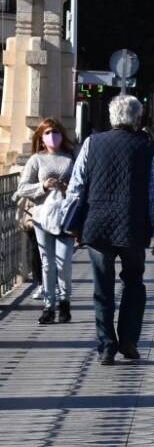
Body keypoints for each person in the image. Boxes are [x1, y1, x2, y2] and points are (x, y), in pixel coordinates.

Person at [66, 95, 154, 366]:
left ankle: (106, 346)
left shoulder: (92, 143)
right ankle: (129, 339)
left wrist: (72, 225)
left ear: (112, 117)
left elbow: (75, 188)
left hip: (96, 227)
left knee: (102, 288)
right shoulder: (147, 147)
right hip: (133, 228)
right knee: (133, 282)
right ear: (137, 118)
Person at [17, 118, 77, 325]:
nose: (53, 136)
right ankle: (48, 306)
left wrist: (67, 187)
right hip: (42, 217)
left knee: (64, 263)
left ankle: (65, 303)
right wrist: (42, 186)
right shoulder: (36, 160)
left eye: (57, 132)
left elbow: (81, 185)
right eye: (48, 132)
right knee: (47, 263)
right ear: (41, 138)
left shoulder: (71, 158)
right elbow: (22, 188)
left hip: (66, 217)